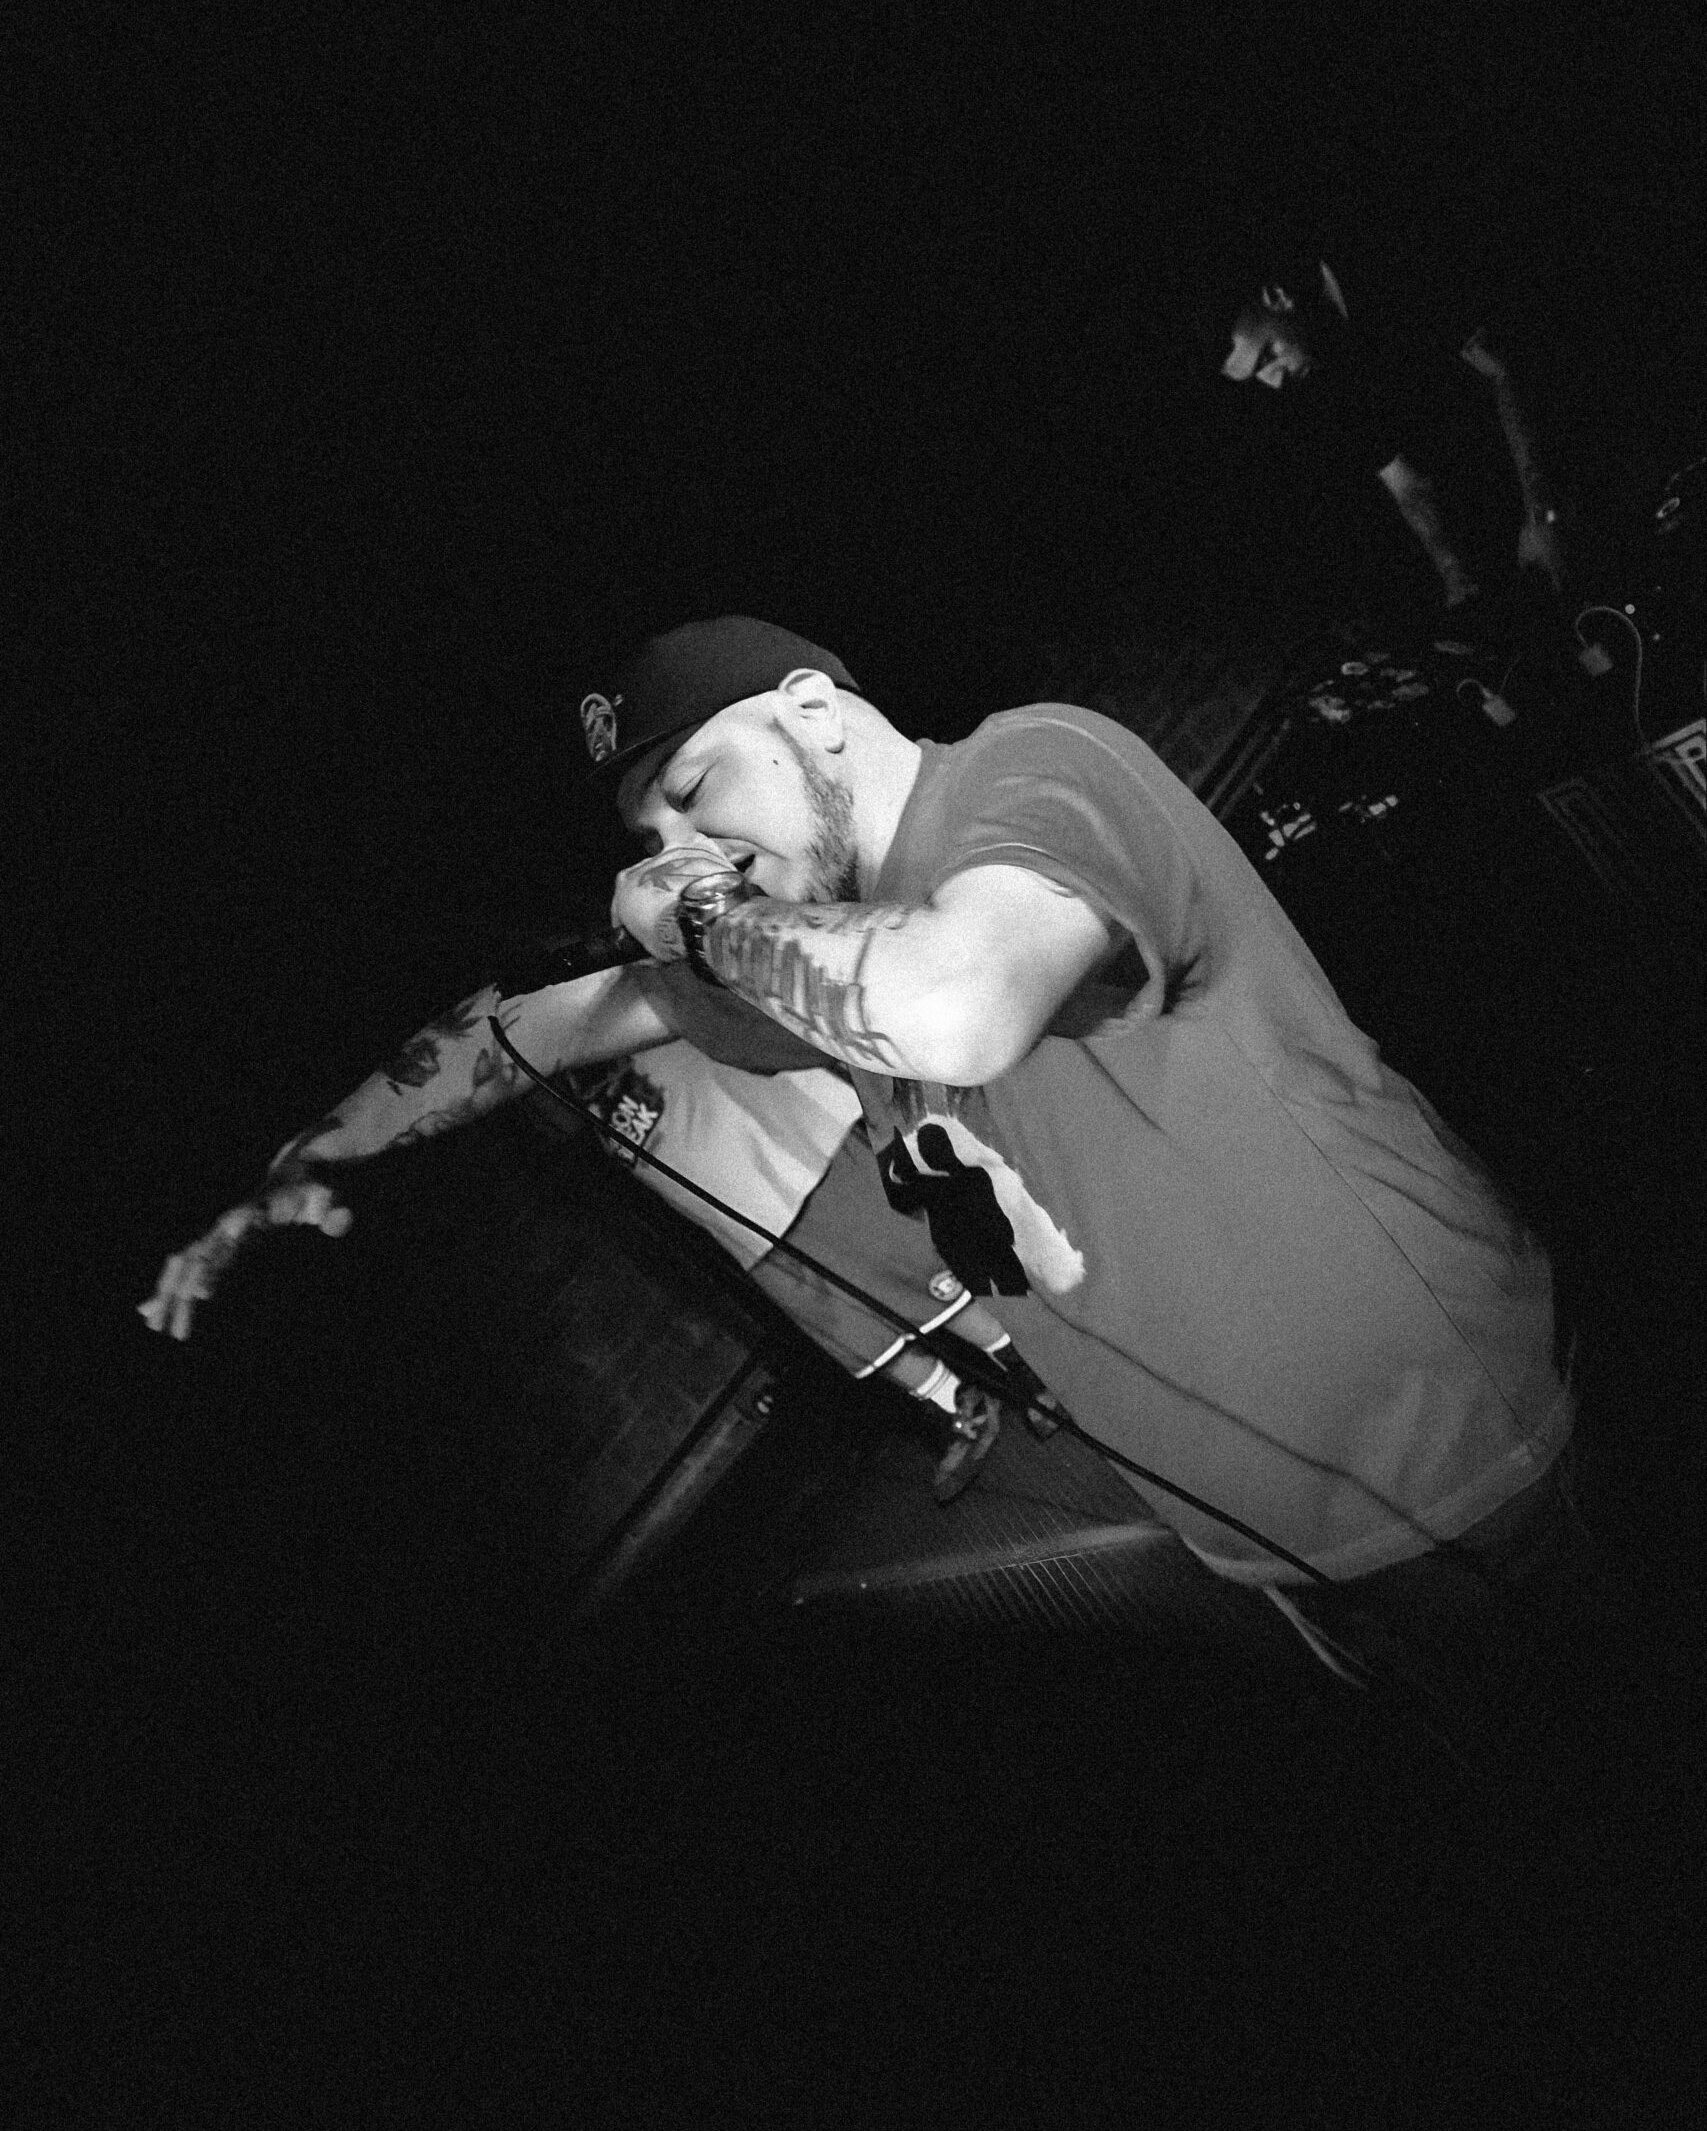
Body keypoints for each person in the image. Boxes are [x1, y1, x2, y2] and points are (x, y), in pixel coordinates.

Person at [578, 615, 1581, 1706]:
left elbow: (960, 1003)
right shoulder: (813, 947)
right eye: (650, 841)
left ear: (813, 712)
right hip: (1259, 1534)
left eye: (693, 787)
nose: (677, 851)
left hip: (1456, 1460)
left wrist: (702, 915)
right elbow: (556, 1024)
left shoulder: (1030, 766)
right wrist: (410, 1097)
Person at [139, 978, 1013, 1499]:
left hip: (803, 1149)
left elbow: (542, 1010)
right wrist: (299, 1165)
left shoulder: (631, 947)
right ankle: (960, 1406)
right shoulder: (549, 1045)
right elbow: (473, 1047)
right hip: (734, 1209)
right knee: (855, 1325)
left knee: (934, 1275)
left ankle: (1042, 1367)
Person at [1218, 258, 1569, 616]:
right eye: (1257, 375)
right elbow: (1402, 481)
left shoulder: (1393, 279)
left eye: (1267, 355)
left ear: (1277, 297)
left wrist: (1544, 516)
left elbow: (1505, 372)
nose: (1275, 381)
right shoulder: (1324, 367)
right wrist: (1457, 579)